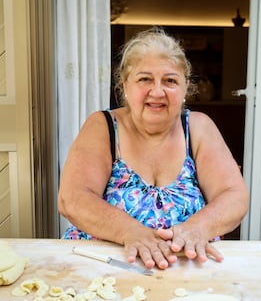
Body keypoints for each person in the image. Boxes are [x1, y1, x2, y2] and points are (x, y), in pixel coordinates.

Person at [58, 27, 249, 270]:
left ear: (185, 88)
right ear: (125, 85)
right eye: (144, 79)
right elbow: (72, 199)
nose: (157, 92)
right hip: (106, 268)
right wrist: (132, 232)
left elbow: (234, 196)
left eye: (170, 81)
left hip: (188, 271)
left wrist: (198, 228)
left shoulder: (199, 127)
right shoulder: (103, 127)